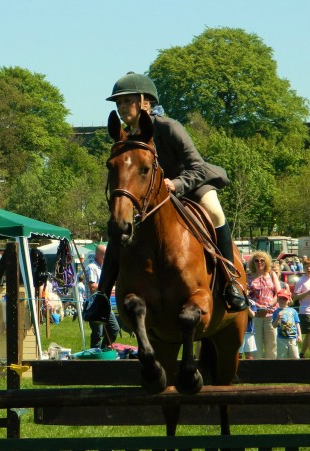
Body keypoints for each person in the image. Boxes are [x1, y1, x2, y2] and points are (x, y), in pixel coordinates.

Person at [83, 71, 247, 323]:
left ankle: (231, 282)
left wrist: (177, 184)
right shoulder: (126, 137)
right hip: (149, 199)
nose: (122, 107)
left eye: (127, 101)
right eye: (119, 103)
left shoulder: (169, 127)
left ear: (145, 102)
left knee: (215, 212)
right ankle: (102, 296)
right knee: (117, 227)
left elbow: (198, 166)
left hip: (189, 186)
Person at [83, 245, 120, 348]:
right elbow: (93, 287)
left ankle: (103, 351)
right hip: (94, 306)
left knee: (114, 329)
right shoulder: (91, 268)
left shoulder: (104, 268)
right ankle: (94, 360)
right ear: (98, 254)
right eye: (104, 254)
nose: (106, 257)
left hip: (105, 305)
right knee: (98, 334)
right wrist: (108, 286)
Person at [246, 251, 280, 359]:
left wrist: (269, 306)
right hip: (255, 314)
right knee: (257, 343)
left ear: (266, 262)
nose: (259, 263)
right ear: (253, 262)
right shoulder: (249, 277)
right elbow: (246, 296)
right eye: (256, 260)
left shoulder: (271, 274)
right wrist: (257, 306)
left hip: (271, 313)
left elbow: (278, 293)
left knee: (272, 342)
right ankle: (258, 367)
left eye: (262, 260)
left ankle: (271, 367)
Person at [272, 289, 301, 359]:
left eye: (284, 299)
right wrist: (278, 318)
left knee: (295, 356)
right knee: (281, 357)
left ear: (288, 300)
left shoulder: (293, 311)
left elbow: (297, 323)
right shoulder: (276, 312)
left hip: (293, 338)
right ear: (278, 300)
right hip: (281, 339)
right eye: (280, 299)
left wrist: (299, 335)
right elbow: (274, 326)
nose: (282, 301)